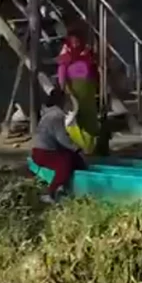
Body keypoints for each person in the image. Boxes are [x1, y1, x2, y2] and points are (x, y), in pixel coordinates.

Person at [31, 88, 86, 203]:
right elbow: (62, 138)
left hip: (42, 151)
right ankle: (51, 193)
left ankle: (66, 187)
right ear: (61, 101)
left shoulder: (50, 113)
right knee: (64, 163)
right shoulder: (56, 115)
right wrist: (78, 149)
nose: (68, 104)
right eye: (67, 101)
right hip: (43, 152)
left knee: (71, 158)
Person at [57, 21, 100, 153]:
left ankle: (91, 147)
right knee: (76, 117)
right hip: (74, 88)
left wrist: (97, 83)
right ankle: (78, 147)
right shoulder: (66, 53)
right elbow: (62, 71)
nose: (76, 42)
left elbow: (94, 68)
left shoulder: (87, 51)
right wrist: (63, 89)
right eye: (73, 39)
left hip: (88, 87)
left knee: (90, 116)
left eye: (78, 39)